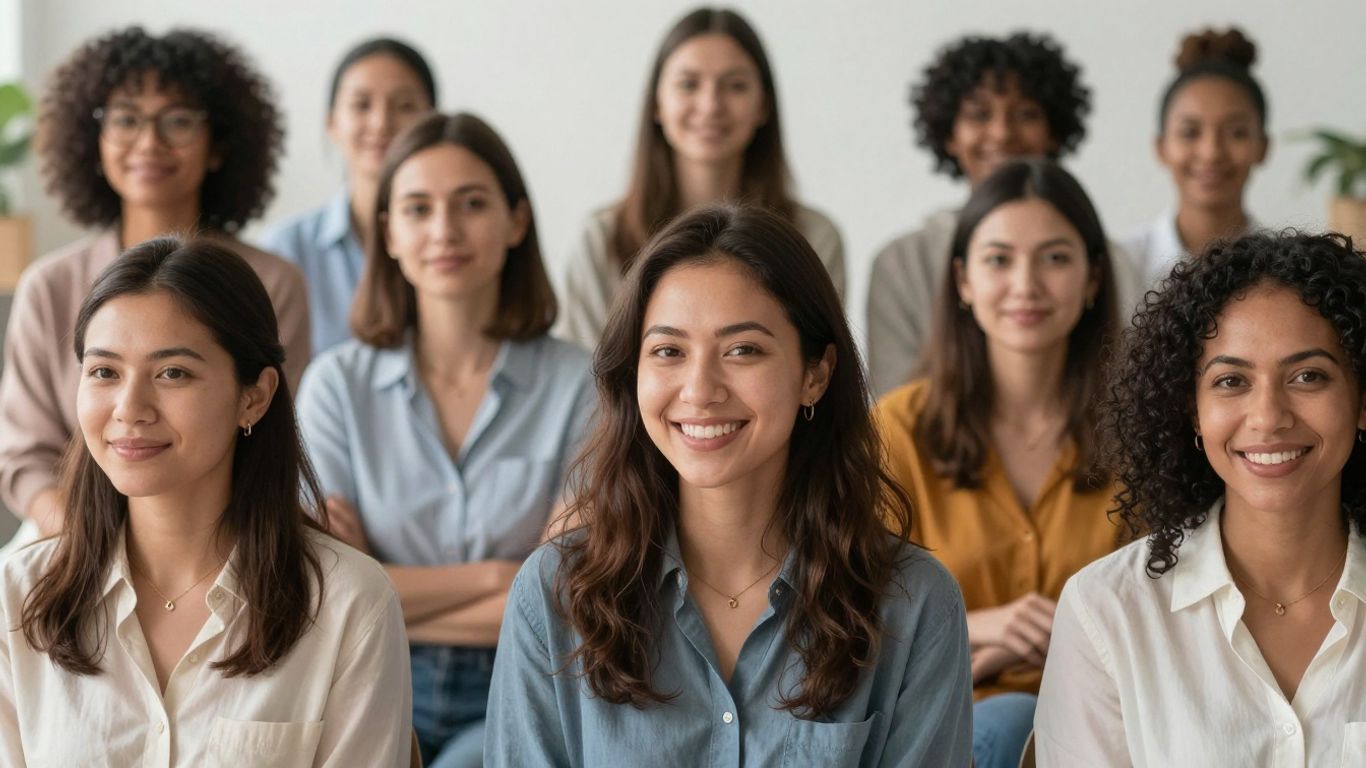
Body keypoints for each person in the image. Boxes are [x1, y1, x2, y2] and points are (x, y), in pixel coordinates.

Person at [487, 204, 973, 767]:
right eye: (669, 351)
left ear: (814, 373)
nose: (700, 389)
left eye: (743, 350)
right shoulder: (554, 594)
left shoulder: (913, 603)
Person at [0, 236, 410, 766]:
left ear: (254, 396)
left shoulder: (349, 603)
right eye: (104, 372)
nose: (131, 408)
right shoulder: (16, 598)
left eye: (174, 373)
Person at [296, 111, 595, 768]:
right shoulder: (335, 388)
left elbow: (568, 595)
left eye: (472, 204)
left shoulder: (580, 384)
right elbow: (320, 587)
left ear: (516, 222)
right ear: (388, 233)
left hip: (524, 678)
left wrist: (382, 583)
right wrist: (501, 576)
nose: (444, 230)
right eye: (418, 208)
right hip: (366, 672)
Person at [1035, 232, 1366, 766]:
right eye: (1231, 380)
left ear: (1361, 400)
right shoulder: (1109, 612)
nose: (1268, 416)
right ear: (1191, 409)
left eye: (1308, 376)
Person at [0, 26, 309, 543]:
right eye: (125, 119)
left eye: (178, 121)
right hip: (69, 536)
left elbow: (275, 440)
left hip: (222, 535)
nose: (149, 142)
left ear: (218, 145)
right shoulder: (49, 285)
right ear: (93, 141)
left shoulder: (272, 282)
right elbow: (24, 456)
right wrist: (96, 546)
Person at [873, 159, 1123, 768]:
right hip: (948, 718)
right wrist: (976, 629)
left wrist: (1071, 643)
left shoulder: (1139, 431)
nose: (1026, 284)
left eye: (1056, 258)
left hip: (1111, 716)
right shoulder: (896, 430)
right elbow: (847, 609)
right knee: (1012, 722)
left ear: (1093, 278)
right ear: (962, 280)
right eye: (999, 259)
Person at [866, 32, 1141, 397]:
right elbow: (894, 403)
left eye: (1026, 114)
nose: (1002, 132)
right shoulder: (903, 262)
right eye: (979, 114)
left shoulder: (1112, 262)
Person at [555, 7, 845, 350]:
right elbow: (589, 384)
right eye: (689, 84)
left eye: (735, 86)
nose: (710, 105)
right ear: (657, 105)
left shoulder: (814, 236)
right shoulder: (601, 240)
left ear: (763, 105)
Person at [263, 37, 438, 356]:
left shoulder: (449, 242)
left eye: (405, 106)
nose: (381, 122)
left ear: (432, 121)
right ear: (332, 122)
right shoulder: (286, 251)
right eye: (362, 104)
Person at [1123, 28, 1269, 287]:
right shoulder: (1122, 266)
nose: (1211, 152)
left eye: (1236, 132)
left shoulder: (1285, 271)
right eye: (1190, 132)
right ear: (1161, 147)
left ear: (1263, 147)